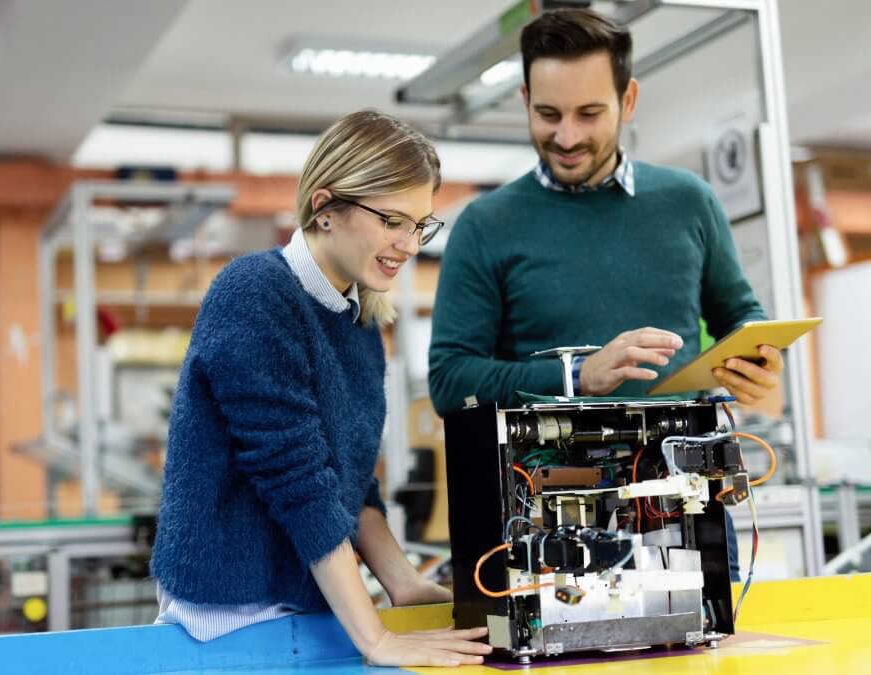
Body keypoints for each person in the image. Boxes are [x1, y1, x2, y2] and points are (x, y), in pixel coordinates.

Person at [428, 9, 783, 581]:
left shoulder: (689, 202)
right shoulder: (485, 225)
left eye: (589, 113)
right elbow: (450, 381)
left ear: (629, 99)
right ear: (524, 99)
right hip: (542, 524)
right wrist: (575, 378)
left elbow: (741, 316)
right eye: (547, 114)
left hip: (683, 510)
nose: (566, 136)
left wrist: (757, 362)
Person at [152, 110, 492, 668]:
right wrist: (377, 639)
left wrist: (402, 584)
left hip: (310, 608)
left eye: (421, 225)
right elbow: (301, 481)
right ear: (325, 206)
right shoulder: (255, 293)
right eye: (392, 221)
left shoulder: (361, 323)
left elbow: (351, 484)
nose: (409, 244)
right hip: (230, 614)